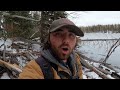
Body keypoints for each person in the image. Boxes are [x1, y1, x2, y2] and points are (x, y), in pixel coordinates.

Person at [18, 18, 84, 79]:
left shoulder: (75, 60)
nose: (66, 41)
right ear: (49, 39)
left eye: (71, 35)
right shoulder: (35, 68)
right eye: (58, 34)